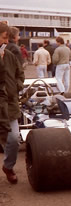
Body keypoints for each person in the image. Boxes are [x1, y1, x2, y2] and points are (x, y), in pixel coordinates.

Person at [0, 22, 25, 184]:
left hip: (10, 105)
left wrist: (16, 87)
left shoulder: (9, 55)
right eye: (4, 38)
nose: (7, 42)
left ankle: (8, 166)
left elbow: (20, 74)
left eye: (8, 38)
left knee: (14, 138)